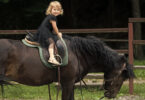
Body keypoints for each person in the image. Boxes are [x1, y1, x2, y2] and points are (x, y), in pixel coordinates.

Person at [33, 1, 63, 65]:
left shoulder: (50, 16)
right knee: (51, 43)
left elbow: (53, 30)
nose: (56, 11)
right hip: (44, 31)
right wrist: (58, 34)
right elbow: (55, 28)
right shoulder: (53, 17)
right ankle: (51, 58)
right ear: (50, 9)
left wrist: (56, 33)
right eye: (54, 9)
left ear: (60, 11)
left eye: (58, 10)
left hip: (44, 30)